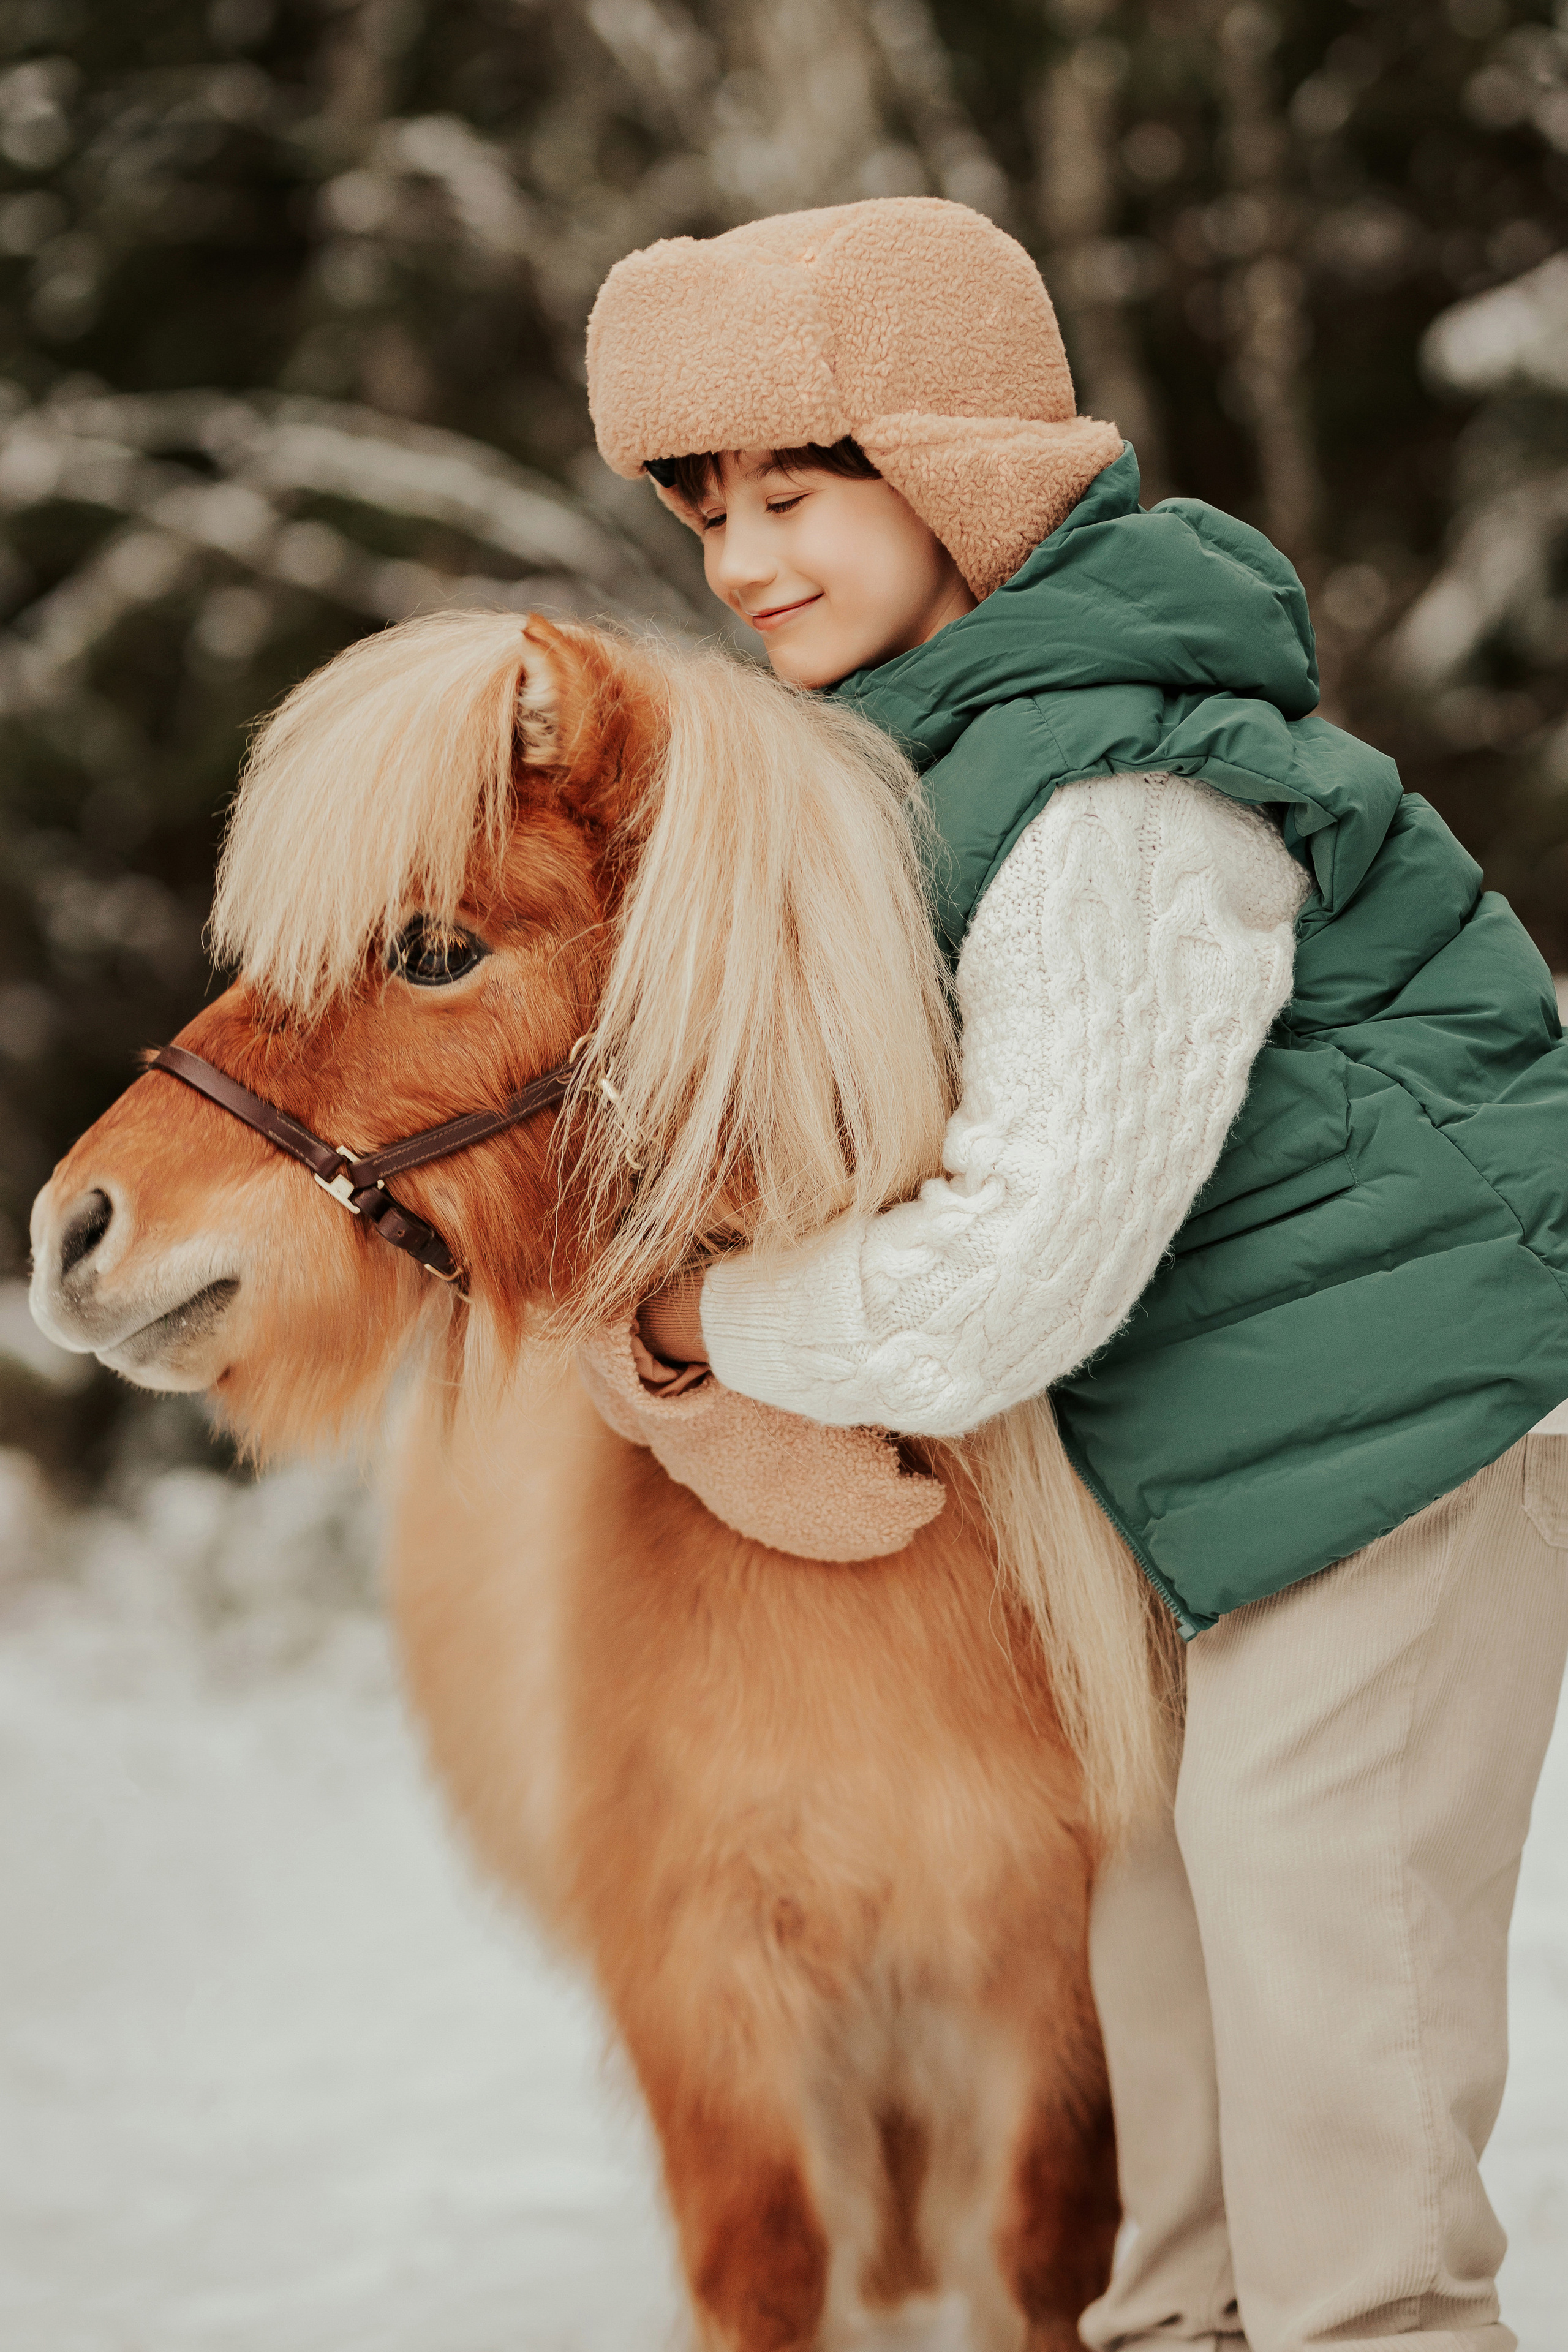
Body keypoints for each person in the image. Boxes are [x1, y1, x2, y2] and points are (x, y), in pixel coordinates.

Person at [584, 197, 1568, 2352]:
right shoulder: (940, 759)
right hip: (1237, 1477)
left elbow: (1017, 1265)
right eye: (705, 504)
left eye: (802, 489)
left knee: (1334, 2030)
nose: (744, 560)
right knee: (1170, 1980)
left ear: (962, 475)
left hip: (1410, 1435)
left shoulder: (1117, 789)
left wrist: (698, 1321)